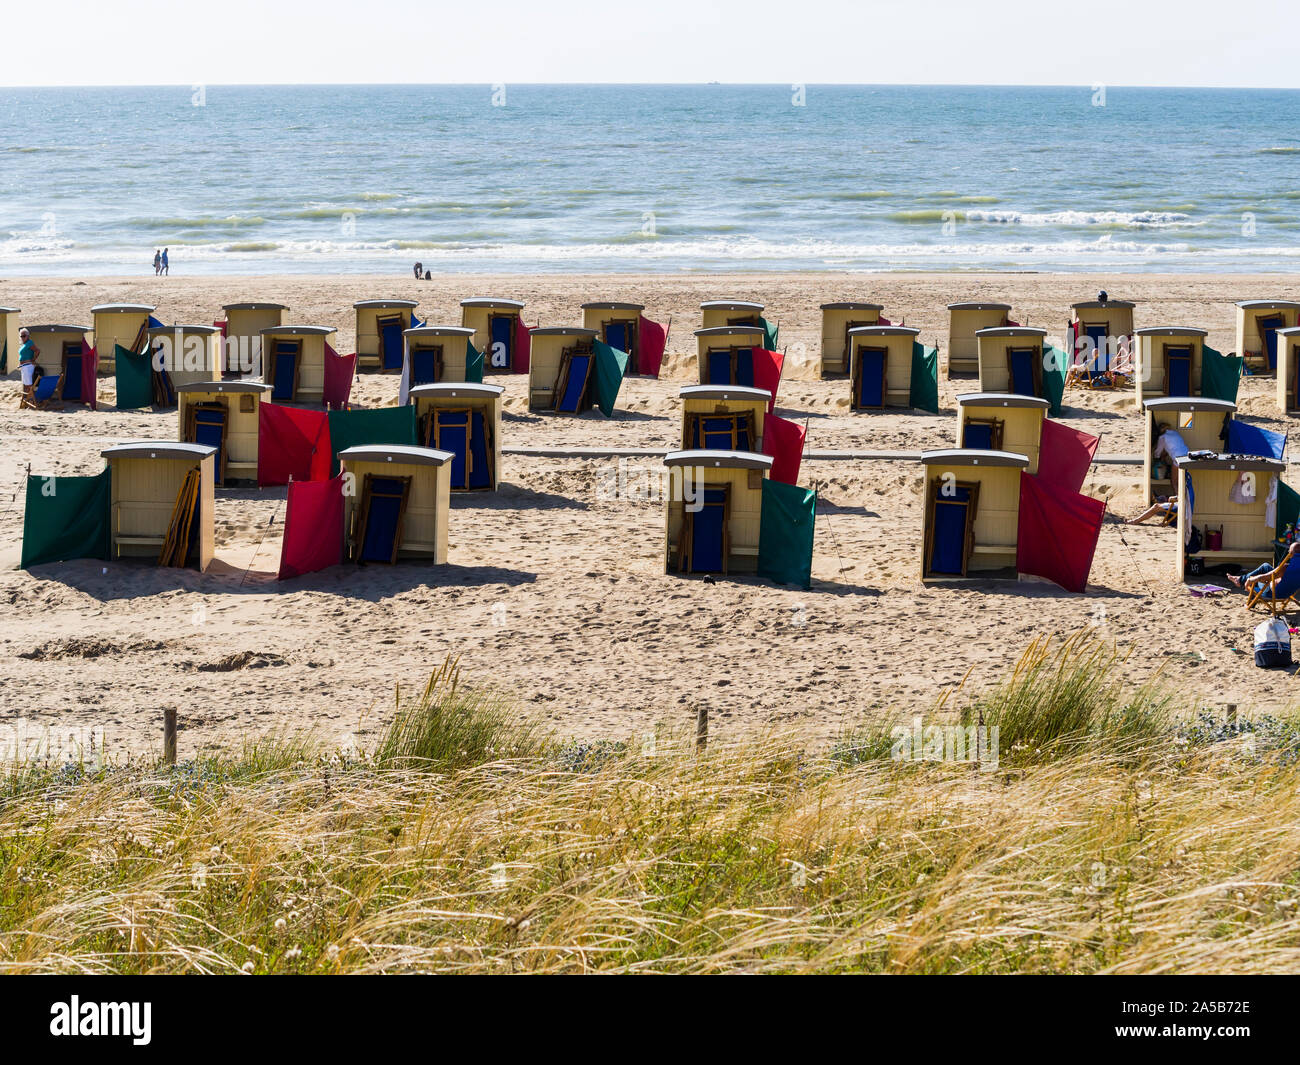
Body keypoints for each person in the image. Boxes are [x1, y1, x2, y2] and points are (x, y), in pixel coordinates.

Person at [1229, 542, 1300, 596]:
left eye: (1289, 550)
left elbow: (1263, 577)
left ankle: (1241, 581)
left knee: (1255, 580)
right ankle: (1240, 579)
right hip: (1289, 592)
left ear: (1290, 553)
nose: (1287, 552)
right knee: (1265, 566)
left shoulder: (1285, 567)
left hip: (1273, 592)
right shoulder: (1293, 568)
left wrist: (1249, 580)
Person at [17, 327, 38, 408]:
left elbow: (37, 350)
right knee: (25, 384)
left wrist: (33, 360)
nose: (22, 337)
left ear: (28, 336)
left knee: (28, 384)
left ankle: (31, 401)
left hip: (28, 366)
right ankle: (26, 401)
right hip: (24, 366)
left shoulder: (29, 342)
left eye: (24, 336)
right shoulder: (24, 344)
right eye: (21, 336)